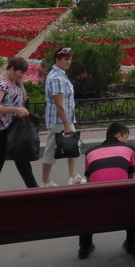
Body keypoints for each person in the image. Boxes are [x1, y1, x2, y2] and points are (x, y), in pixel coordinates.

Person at [77, 122, 135, 259]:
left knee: (86, 204)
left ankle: (85, 247)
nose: (127, 141)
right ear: (118, 136)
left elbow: (90, 180)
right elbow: (131, 178)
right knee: (133, 200)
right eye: (126, 137)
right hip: (122, 204)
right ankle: (132, 243)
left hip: (96, 205)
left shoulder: (90, 152)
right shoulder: (129, 149)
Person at [0, 56, 39, 192]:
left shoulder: (14, 82)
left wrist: (21, 83)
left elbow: (23, 98)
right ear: (12, 69)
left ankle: (33, 188)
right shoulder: (0, 84)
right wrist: (15, 110)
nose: (22, 75)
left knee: (21, 157)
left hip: (13, 127)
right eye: (20, 72)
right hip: (1, 128)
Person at [42, 46, 82, 186]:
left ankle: (72, 175)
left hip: (65, 119)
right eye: (65, 59)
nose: (68, 62)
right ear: (57, 59)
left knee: (73, 145)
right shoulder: (56, 78)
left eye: (70, 59)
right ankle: (46, 181)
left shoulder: (60, 74)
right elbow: (59, 104)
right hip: (60, 120)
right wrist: (66, 124)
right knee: (51, 149)